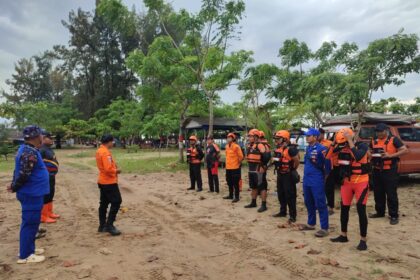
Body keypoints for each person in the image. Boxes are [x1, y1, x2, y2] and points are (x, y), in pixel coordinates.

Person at [8, 125, 49, 264]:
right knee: (30, 224)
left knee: (33, 223)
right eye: (41, 135)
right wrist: (15, 186)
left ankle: (29, 248)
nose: (43, 137)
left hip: (33, 192)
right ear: (37, 137)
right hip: (31, 193)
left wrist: (14, 184)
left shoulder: (28, 150)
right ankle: (25, 255)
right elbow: (24, 174)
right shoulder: (29, 153)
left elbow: (18, 171)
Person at [329, 128, 370, 251]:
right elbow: (327, 155)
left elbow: (358, 157)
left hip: (361, 182)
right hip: (346, 182)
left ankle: (363, 240)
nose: (343, 145)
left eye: (344, 142)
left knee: (361, 209)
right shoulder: (342, 147)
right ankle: (343, 235)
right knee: (344, 208)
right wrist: (334, 143)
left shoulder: (362, 145)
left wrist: (350, 141)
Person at [369, 123, 408, 225]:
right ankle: (380, 212)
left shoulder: (394, 139)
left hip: (390, 170)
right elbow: (369, 150)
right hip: (377, 170)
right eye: (377, 131)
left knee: (391, 194)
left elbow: (404, 150)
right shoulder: (373, 140)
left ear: (386, 131)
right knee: (378, 193)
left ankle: (394, 215)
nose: (379, 133)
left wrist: (390, 155)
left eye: (380, 131)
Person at [300, 128, 329, 237]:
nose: (306, 137)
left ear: (315, 137)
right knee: (308, 202)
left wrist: (324, 178)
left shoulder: (322, 149)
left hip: (317, 179)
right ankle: (311, 223)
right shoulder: (308, 148)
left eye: (309, 135)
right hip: (307, 179)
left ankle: (324, 228)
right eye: (306, 135)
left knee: (320, 203)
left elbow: (327, 165)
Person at [96, 135, 122, 236]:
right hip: (109, 182)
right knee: (117, 201)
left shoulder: (99, 150)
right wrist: (116, 170)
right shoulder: (105, 152)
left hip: (102, 181)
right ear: (109, 142)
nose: (113, 143)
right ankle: (109, 225)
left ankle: (102, 225)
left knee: (104, 203)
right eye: (112, 141)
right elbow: (108, 169)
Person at [272, 130, 300, 223]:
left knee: (290, 195)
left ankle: (293, 215)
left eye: (278, 139)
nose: (276, 140)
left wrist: (293, 169)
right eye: (276, 139)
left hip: (288, 175)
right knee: (281, 194)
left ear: (285, 139)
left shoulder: (291, 149)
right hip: (280, 174)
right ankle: (282, 211)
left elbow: (297, 161)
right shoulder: (278, 148)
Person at [244, 129, 271, 213]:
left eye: (250, 136)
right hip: (251, 169)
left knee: (262, 187)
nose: (249, 138)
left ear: (255, 137)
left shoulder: (260, 145)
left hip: (259, 169)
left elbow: (266, 157)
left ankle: (263, 205)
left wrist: (263, 166)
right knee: (253, 186)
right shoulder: (251, 145)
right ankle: (253, 202)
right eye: (249, 136)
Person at [40, 131, 60, 223]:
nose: (51, 139)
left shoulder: (49, 148)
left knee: (51, 193)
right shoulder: (41, 149)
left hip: (51, 176)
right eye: (49, 138)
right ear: (43, 138)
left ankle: (49, 212)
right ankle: (43, 216)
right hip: (45, 177)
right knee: (46, 194)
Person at [319, 128, 337, 215]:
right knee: (320, 188)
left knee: (329, 188)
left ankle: (331, 207)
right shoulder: (314, 144)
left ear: (322, 134)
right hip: (318, 169)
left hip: (329, 168)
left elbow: (335, 153)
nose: (317, 136)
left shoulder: (329, 143)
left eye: (319, 134)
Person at [223, 133, 244, 202]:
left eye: (230, 137)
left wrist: (238, 163)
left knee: (235, 183)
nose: (228, 139)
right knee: (229, 182)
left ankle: (237, 197)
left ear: (233, 139)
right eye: (227, 137)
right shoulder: (226, 146)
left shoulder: (236, 146)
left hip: (235, 168)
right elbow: (226, 156)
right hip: (228, 168)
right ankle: (230, 195)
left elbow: (241, 157)